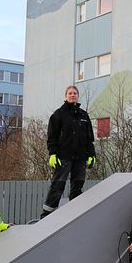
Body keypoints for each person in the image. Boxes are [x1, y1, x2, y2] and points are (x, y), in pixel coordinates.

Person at [41, 85, 96, 218]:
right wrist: (52, 154)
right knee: (57, 186)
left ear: (78, 96)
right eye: (70, 93)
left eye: (75, 93)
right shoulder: (58, 114)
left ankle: (74, 214)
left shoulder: (84, 115)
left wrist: (92, 154)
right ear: (65, 96)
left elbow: (89, 138)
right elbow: (52, 137)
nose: (72, 95)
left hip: (81, 157)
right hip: (63, 157)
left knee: (77, 186)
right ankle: (46, 215)